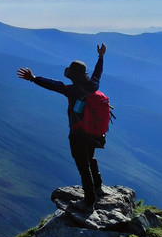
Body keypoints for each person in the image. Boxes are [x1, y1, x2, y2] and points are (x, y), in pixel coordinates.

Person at [17, 43, 107, 208]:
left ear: (72, 75)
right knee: (91, 158)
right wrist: (101, 57)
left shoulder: (70, 90)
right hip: (94, 133)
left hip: (78, 133)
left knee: (83, 166)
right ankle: (98, 187)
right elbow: (97, 73)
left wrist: (34, 78)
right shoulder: (93, 86)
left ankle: (89, 200)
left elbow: (53, 85)